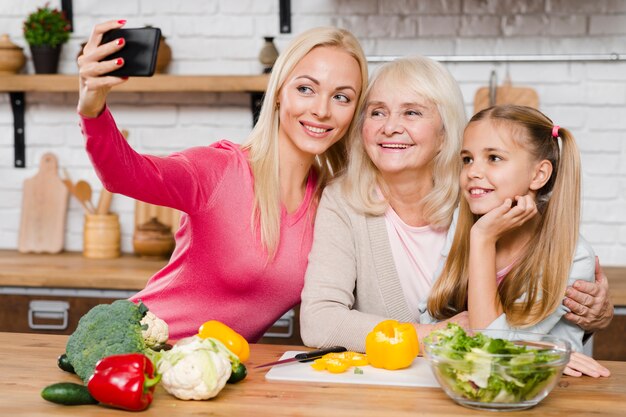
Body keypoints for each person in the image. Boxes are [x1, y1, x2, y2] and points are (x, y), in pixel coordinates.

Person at [300, 58, 612, 377]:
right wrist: (435, 336)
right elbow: (319, 320)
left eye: (411, 112)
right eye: (377, 112)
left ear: (446, 130)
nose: (389, 126)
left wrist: (588, 316)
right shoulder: (344, 200)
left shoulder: (478, 199)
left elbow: (536, 294)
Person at [76, 20, 368, 341]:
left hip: (210, 374)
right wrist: (92, 108)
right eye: (305, 89)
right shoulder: (220, 170)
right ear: (279, 93)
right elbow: (124, 175)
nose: (322, 110)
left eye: (342, 97)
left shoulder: (331, 202)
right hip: (137, 347)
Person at [425, 104, 609, 376]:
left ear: (538, 175)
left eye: (494, 158)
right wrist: (532, 348)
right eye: (467, 159)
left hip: (543, 390)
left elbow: (491, 350)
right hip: (470, 383)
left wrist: (483, 240)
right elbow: (428, 317)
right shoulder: (463, 225)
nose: (473, 171)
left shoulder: (572, 255)